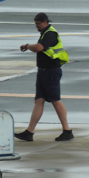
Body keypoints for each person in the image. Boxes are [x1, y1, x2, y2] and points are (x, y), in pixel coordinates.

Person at [15, 12, 73, 142]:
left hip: (51, 72)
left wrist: (27, 46)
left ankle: (67, 130)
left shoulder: (50, 33)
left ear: (45, 22)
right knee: (39, 101)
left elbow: (39, 48)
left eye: (38, 24)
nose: (37, 26)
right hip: (43, 72)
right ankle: (29, 132)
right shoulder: (44, 33)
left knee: (55, 100)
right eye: (35, 24)